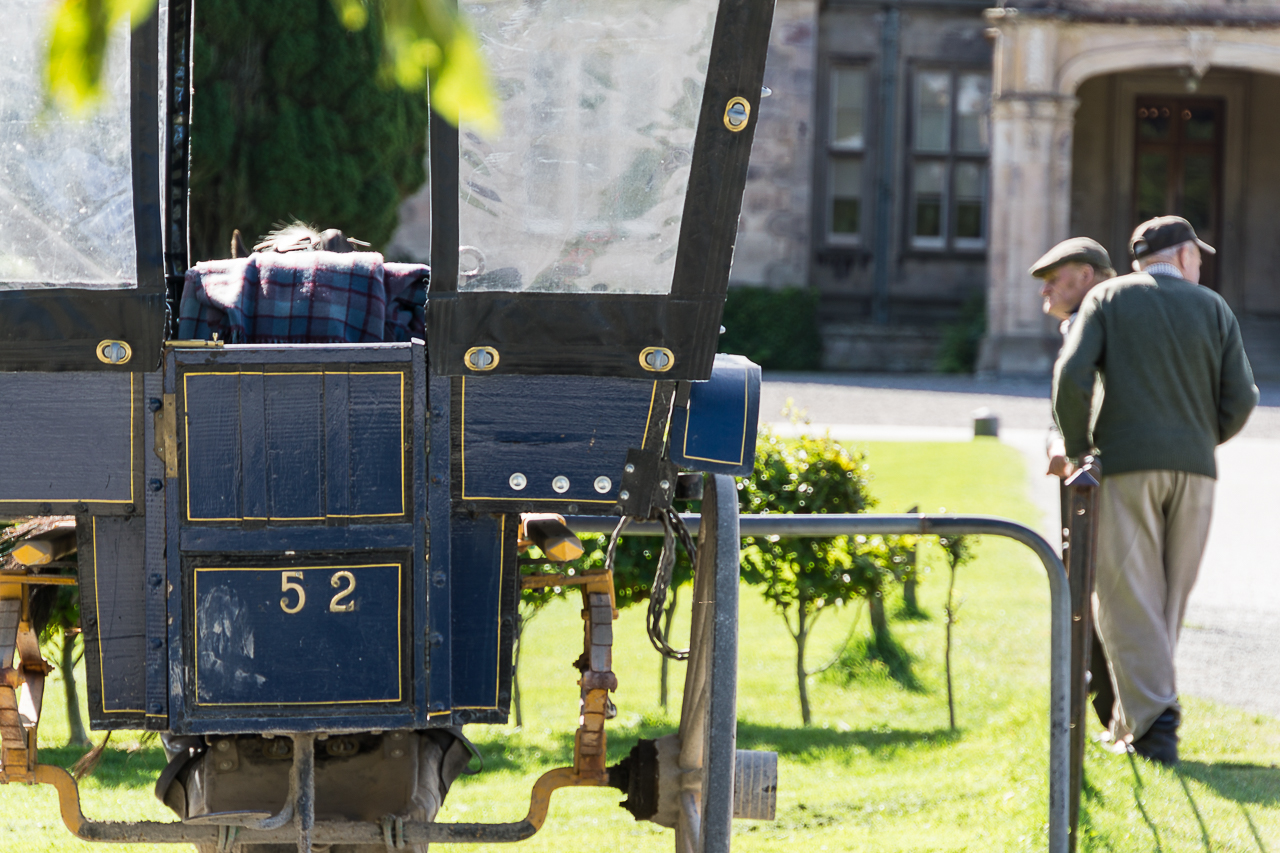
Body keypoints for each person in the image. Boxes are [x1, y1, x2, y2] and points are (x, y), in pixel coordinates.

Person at [1052, 216, 1258, 766]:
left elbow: (1072, 378)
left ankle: (1156, 725)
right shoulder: (1213, 307)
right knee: (1165, 600)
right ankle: (1132, 726)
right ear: (1185, 255)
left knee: (1123, 595)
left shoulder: (1109, 298)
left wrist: (1078, 450)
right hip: (1196, 471)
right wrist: (1197, 438)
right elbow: (1242, 397)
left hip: (1125, 465)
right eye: (1199, 256)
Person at [1029, 237, 1117, 731]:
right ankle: (1095, 699)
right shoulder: (1077, 324)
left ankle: (1111, 708)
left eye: (1054, 280)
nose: (1045, 292)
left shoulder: (1109, 320)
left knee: (1102, 588)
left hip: (1102, 474)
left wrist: (1076, 446)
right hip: (1079, 472)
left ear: (1086, 275)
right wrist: (1056, 439)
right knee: (1081, 583)